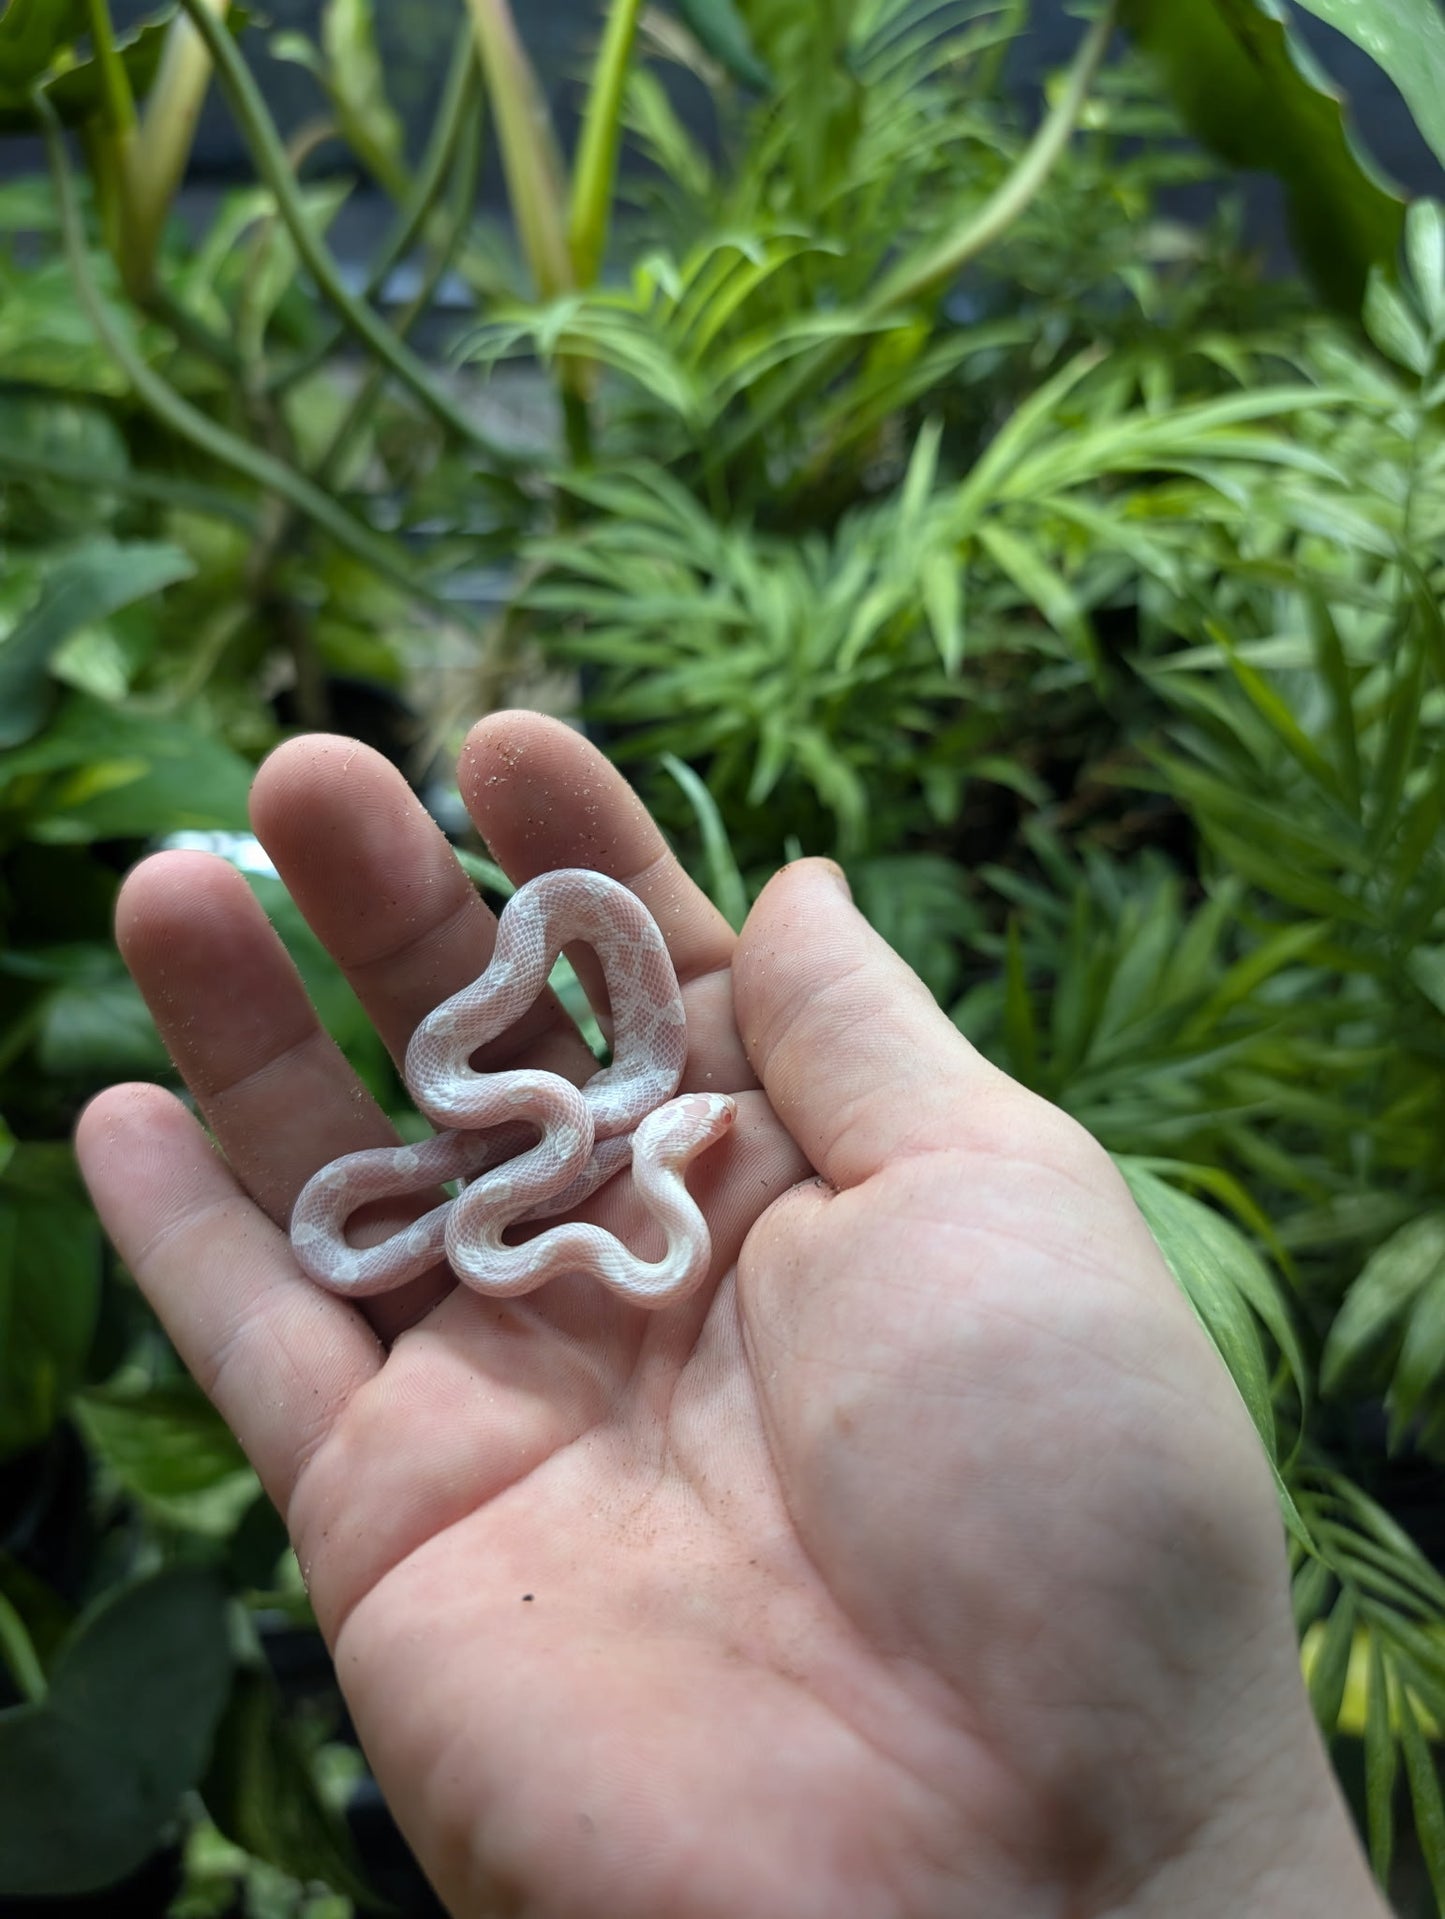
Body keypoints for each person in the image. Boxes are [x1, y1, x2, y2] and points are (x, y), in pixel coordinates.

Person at [76, 711, 1389, 1919]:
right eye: (692, 1128)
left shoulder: (589, 1155)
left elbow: (591, 1131)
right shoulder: (574, 1144)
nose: (694, 1125)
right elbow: (565, 1132)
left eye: (677, 1130)